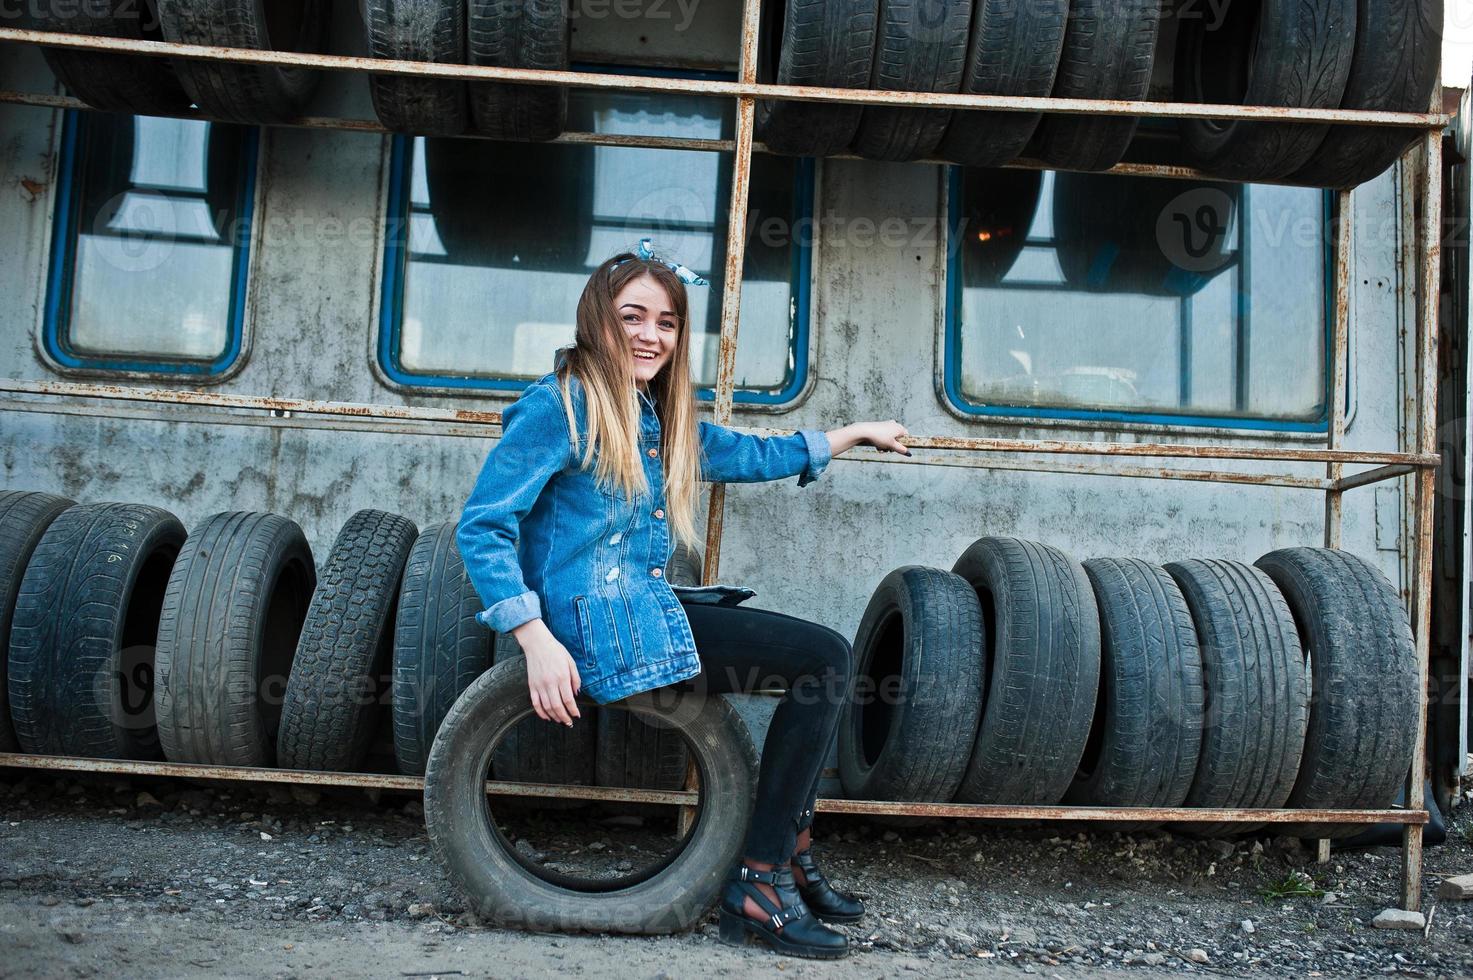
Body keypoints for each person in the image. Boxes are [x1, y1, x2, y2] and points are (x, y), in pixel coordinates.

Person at [455, 240, 911, 960]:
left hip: (638, 608)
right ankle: (763, 876)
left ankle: (786, 853)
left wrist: (850, 434)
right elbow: (484, 524)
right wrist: (533, 638)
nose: (649, 335)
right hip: (593, 627)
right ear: (595, 321)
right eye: (631, 316)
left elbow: (749, 453)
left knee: (819, 659)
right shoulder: (559, 407)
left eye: (666, 322)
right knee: (822, 660)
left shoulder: (656, 419)